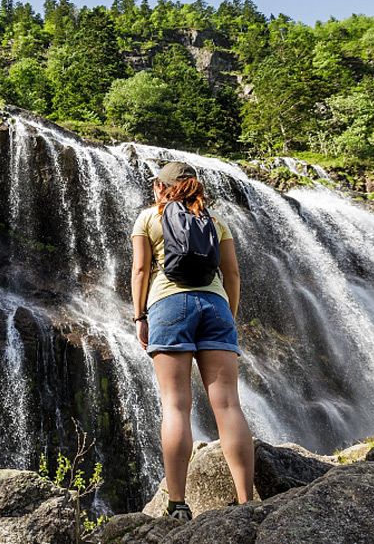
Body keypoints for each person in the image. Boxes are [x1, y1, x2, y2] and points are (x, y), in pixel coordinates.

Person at [129, 161, 254, 521]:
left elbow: (140, 269)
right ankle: (247, 501)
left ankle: (178, 504)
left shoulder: (149, 217)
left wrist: (140, 316)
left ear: (163, 187)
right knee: (228, 404)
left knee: (176, 405)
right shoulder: (214, 220)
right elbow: (231, 273)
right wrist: (228, 314)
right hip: (215, 305)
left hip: (168, 305)